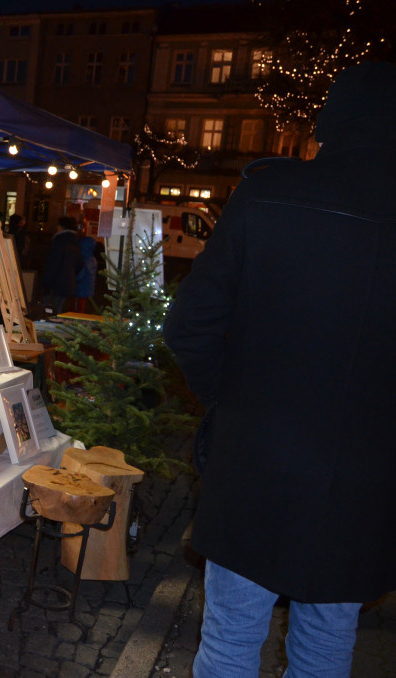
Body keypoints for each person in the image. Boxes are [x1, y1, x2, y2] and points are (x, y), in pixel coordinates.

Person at [163, 61, 396, 677]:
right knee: (326, 643)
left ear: (331, 122)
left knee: (232, 641)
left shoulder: (268, 193)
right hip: (365, 481)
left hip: (258, 462)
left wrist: (230, 400)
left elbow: (190, 324)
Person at [40, 216, 82, 314]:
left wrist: (46, 283)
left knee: (48, 311)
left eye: (58, 225)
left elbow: (52, 265)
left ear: (62, 227)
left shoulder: (58, 241)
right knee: (58, 309)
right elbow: (80, 263)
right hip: (68, 283)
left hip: (54, 285)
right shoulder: (75, 242)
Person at [72, 228, 98, 313]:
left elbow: (81, 275)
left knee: (77, 307)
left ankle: (76, 322)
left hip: (80, 288)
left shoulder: (84, 259)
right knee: (82, 306)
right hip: (88, 287)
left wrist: (74, 279)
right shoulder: (92, 258)